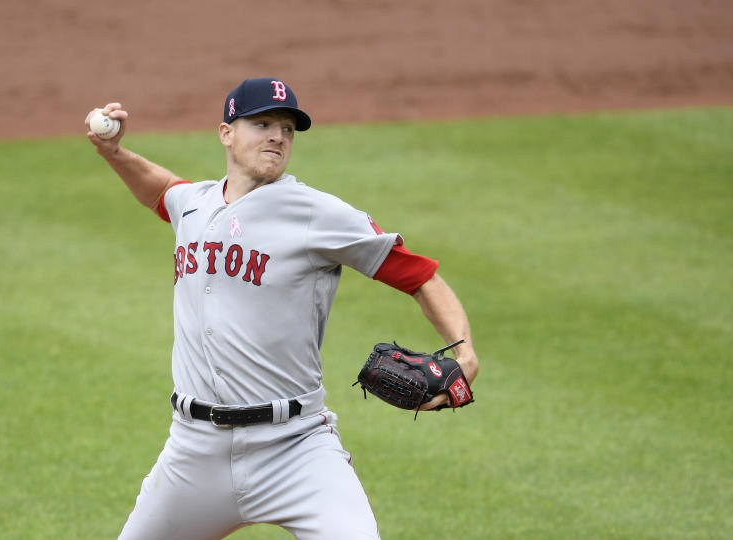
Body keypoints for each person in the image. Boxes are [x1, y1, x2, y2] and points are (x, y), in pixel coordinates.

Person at [86, 77, 478, 540]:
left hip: (296, 448)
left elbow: (420, 277)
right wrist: (114, 154)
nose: (277, 136)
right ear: (226, 133)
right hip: (194, 452)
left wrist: (465, 352)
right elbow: (162, 192)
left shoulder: (316, 212)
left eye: (288, 129)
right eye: (262, 123)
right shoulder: (194, 204)